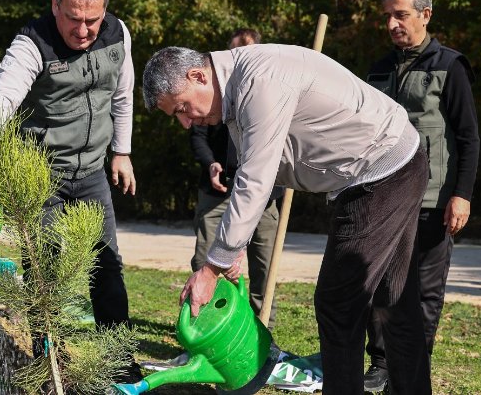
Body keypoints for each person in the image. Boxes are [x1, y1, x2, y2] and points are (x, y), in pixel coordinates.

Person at [142, 44, 431, 394]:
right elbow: (264, 174)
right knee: (394, 301)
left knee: (338, 303)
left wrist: (212, 267)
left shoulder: (259, 80)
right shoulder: (236, 91)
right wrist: (231, 251)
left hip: (380, 171)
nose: (186, 121)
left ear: (198, 76)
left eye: (183, 108)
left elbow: (256, 178)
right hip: (389, 164)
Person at [0, 0, 139, 379]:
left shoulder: (118, 34)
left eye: (92, 20)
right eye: (73, 19)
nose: (83, 31)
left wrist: (122, 151)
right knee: (43, 268)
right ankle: (51, 360)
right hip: (40, 173)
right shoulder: (32, 44)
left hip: (92, 171)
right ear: (54, 5)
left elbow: (122, 95)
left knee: (107, 263)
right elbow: (2, 99)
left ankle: (117, 360)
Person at [362, 0, 480, 392]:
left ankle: (412, 367)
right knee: (380, 286)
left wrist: (461, 195)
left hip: (433, 200)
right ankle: (380, 363)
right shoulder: (377, 68)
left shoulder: (450, 66)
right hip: (384, 199)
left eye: (402, 15)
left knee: (425, 293)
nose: (393, 24)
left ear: (425, 15)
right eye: (388, 17)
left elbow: (468, 138)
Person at [190, 27, 279, 327]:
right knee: (206, 259)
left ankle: (261, 331)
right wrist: (210, 163)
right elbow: (197, 135)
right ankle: (208, 326)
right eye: (233, 52)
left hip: (265, 195)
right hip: (217, 191)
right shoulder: (212, 94)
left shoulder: (270, 90)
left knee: (264, 265)